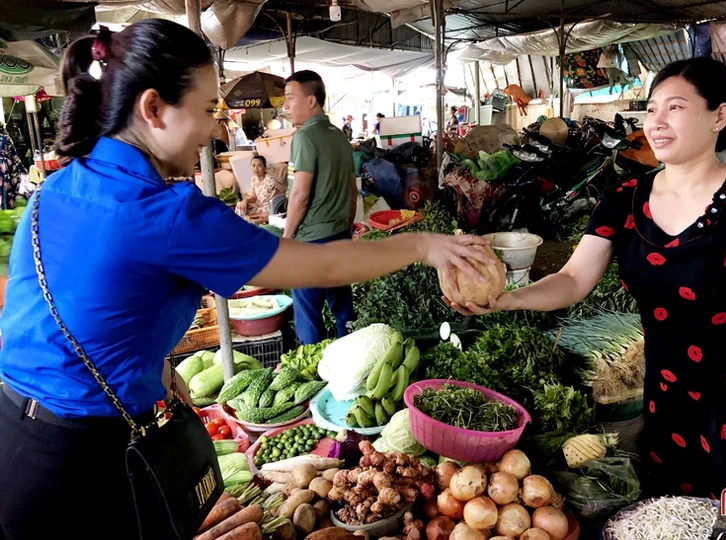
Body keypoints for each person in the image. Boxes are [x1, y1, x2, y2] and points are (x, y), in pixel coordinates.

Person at [0, 20, 493, 540]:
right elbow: (322, 266)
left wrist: (154, 374)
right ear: (152, 108)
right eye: (208, 109)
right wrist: (423, 245)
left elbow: (67, 313)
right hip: (85, 466)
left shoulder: (54, 190)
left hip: (15, 439)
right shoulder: (166, 215)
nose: (217, 129)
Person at [446, 58, 726, 539]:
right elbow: (574, 280)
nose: (655, 122)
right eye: (651, 108)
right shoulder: (623, 200)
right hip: (668, 404)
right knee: (678, 523)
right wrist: (506, 300)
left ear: (719, 116)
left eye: (674, 107)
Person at [282, 70, 358, 345]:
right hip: (339, 236)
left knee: (308, 313)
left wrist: (287, 238)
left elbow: (300, 195)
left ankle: (314, 373)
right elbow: (353, 191)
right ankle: (350, 357)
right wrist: (345, 228)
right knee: (344, 311)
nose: (285, 105)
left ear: (311, 101)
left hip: (310, 242)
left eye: (291, 98)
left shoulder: (305, 137)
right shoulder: (338, 136)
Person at [0, 124, 26, 209]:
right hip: (4, 173)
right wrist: (24, 172)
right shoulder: (5, 138)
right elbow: (15, 158)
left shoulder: (5, 139)